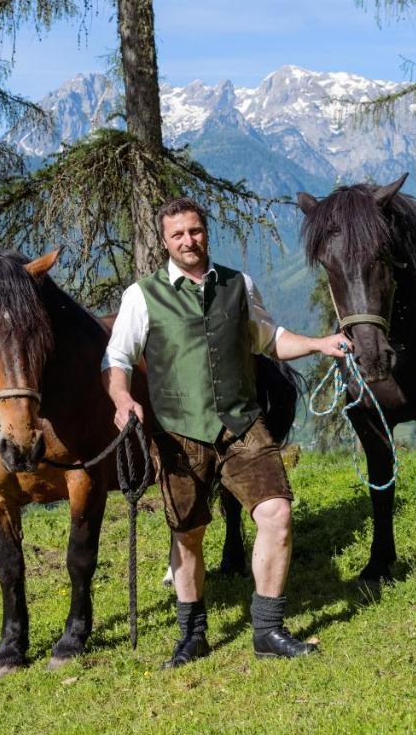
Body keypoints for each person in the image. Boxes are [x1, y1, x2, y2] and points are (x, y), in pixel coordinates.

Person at [101, 197, 351, 667]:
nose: (188, 241)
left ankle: (268, 630)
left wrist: (321, 343)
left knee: (276, 514)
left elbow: (269, 339)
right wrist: (122, 399)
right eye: (177, 235)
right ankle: (192, 634)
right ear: (165, 241)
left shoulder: (239, 284)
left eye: (194, 231)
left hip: (241, 423)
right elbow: (115, 360)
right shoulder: (142, 295)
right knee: (188, 533)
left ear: (205, 231)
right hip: (177, 432)